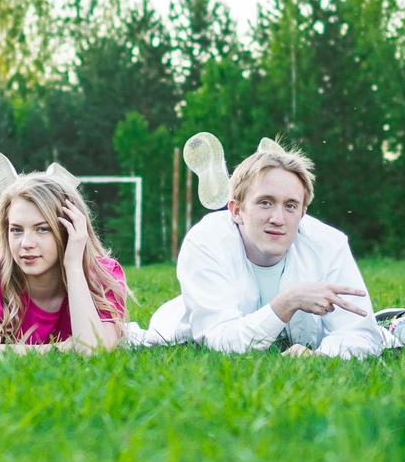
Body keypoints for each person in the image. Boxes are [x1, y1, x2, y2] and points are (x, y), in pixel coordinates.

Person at [143, 135, 386, 357]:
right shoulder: (206, 241)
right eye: (265, 203)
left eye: (290, 206)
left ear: (303, 212)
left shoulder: (328, 244)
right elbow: (220, 340)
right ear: (236, 211)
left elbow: (363, 334)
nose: (278, 219)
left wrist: (320, 356)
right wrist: (288, 301)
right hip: (181, 335)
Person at [0, 159, 129, 354]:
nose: (26, 243)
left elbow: (93, 350)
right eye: (16, 230)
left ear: (70, 231)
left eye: (42, 229)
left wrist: (73, 266)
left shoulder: (103, 274)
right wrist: (66, 347)